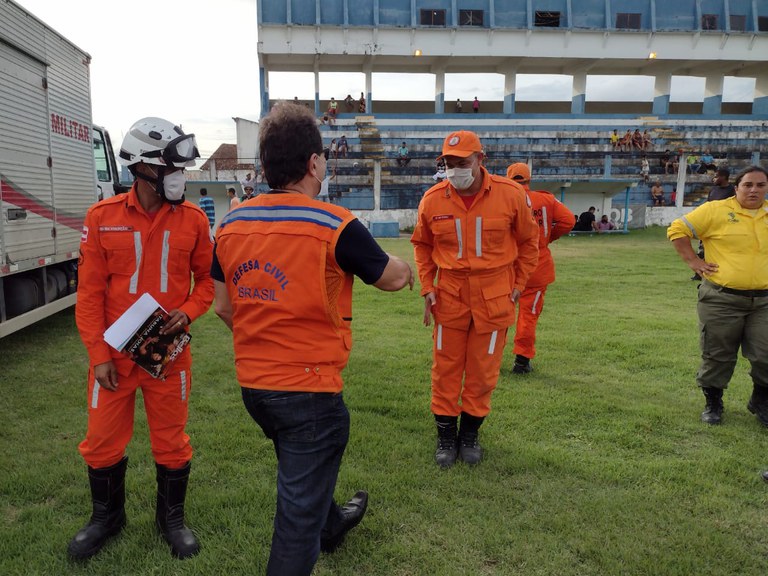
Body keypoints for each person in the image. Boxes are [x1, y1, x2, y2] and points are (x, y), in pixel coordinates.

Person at [212, 102, 413, 575]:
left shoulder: (230, 224)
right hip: (309, 391)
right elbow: (387, 276)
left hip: (255, 388)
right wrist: (408, 270)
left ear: (265, 165)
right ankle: (317, 527)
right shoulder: (333, 224)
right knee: (295, 517)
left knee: (303, 467)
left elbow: (223, 306)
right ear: (314, 163)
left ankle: (333, 524)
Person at [69, 117, 214, 560]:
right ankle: (106, 519)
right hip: (112, 358)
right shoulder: (102, 217)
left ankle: (170, 519)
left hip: (166, 356)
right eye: (173, 169)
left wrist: (187, 311)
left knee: (171, 441)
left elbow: (208, 282)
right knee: (101, 442)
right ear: (143, 168)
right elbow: (90, 294)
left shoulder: (192, 219)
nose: (181, 177)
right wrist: (98, 355)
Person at [411, 131, 539, 468]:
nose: (454, 170)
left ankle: (469, 435)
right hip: (450, 295)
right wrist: (427, 286)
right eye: (448, 164)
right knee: (445, 369)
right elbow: (422, 245)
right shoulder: (433, 198)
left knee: (483, 371)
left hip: (494, 295)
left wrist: (518, 283)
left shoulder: (511, 195)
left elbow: (529, 243)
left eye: (462, 162)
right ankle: (445, 437)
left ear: (481, 159)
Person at [668, 166, 768, 427]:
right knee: (717, 354)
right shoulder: (716, 210)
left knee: (766, 355)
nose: (754, 190)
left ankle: (761, 400)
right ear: (737, 188)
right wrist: (694, 261)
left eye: (760, 185)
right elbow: (677, 229)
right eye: (748, 185)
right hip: (722, 299)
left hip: (764, 301)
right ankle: (713, 402)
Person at [506, 163, 574, 374]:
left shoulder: (503, 199)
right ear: (529, 179)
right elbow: (568, 220)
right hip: (536, 268)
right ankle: (521, 361)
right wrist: (547, 238)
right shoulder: (545, 199)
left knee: (498, 313)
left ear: (509, 179)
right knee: (529, 315)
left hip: (506, 268)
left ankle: (487, 357)